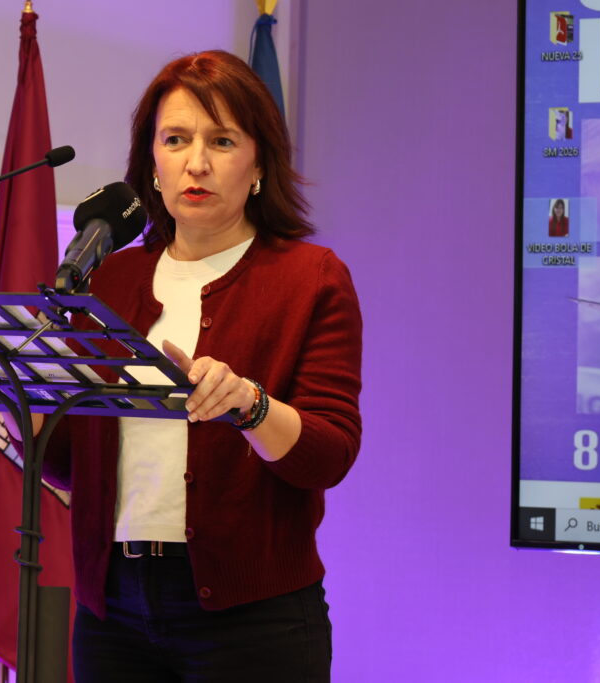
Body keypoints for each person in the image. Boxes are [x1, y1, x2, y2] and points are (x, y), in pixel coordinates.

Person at [43, 50, 363, 682]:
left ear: (259, 164)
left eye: (222, 141)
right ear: (152, 165)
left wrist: (251, 406)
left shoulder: (311, 278)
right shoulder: (108, 279)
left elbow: (329, 456)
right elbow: (72, 466)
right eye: (176, 140)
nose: (196, 162)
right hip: (111, 612)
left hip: (252, 619)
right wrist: (15, 396)